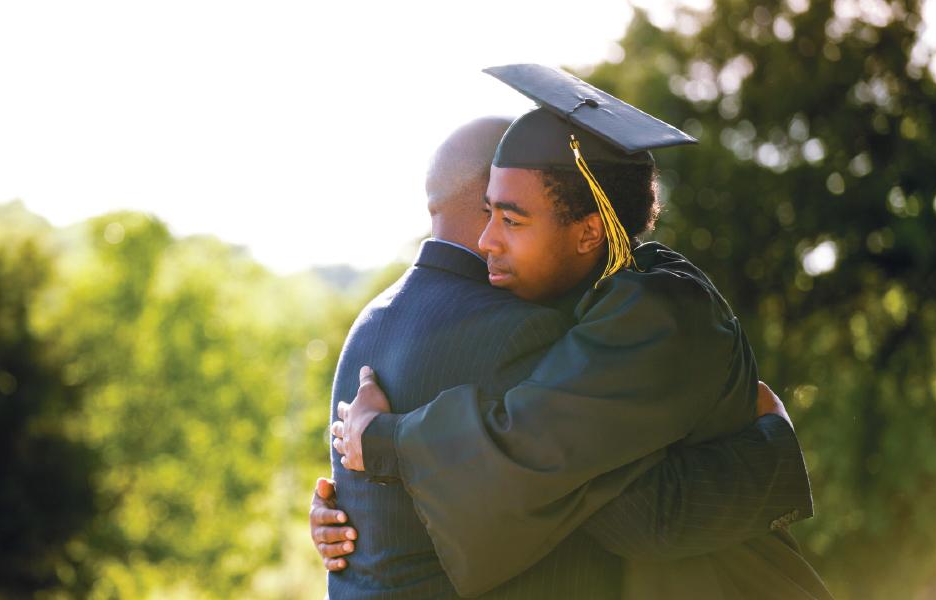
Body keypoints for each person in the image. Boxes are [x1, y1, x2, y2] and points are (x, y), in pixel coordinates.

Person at [329, 65, 831, 599]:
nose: (487, 239)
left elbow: (604, 492)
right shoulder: (585, 300)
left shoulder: (660, 309)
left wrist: (383, 442)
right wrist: (357, 507)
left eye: (511, 220)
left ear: (590, 230)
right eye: (489, 212)